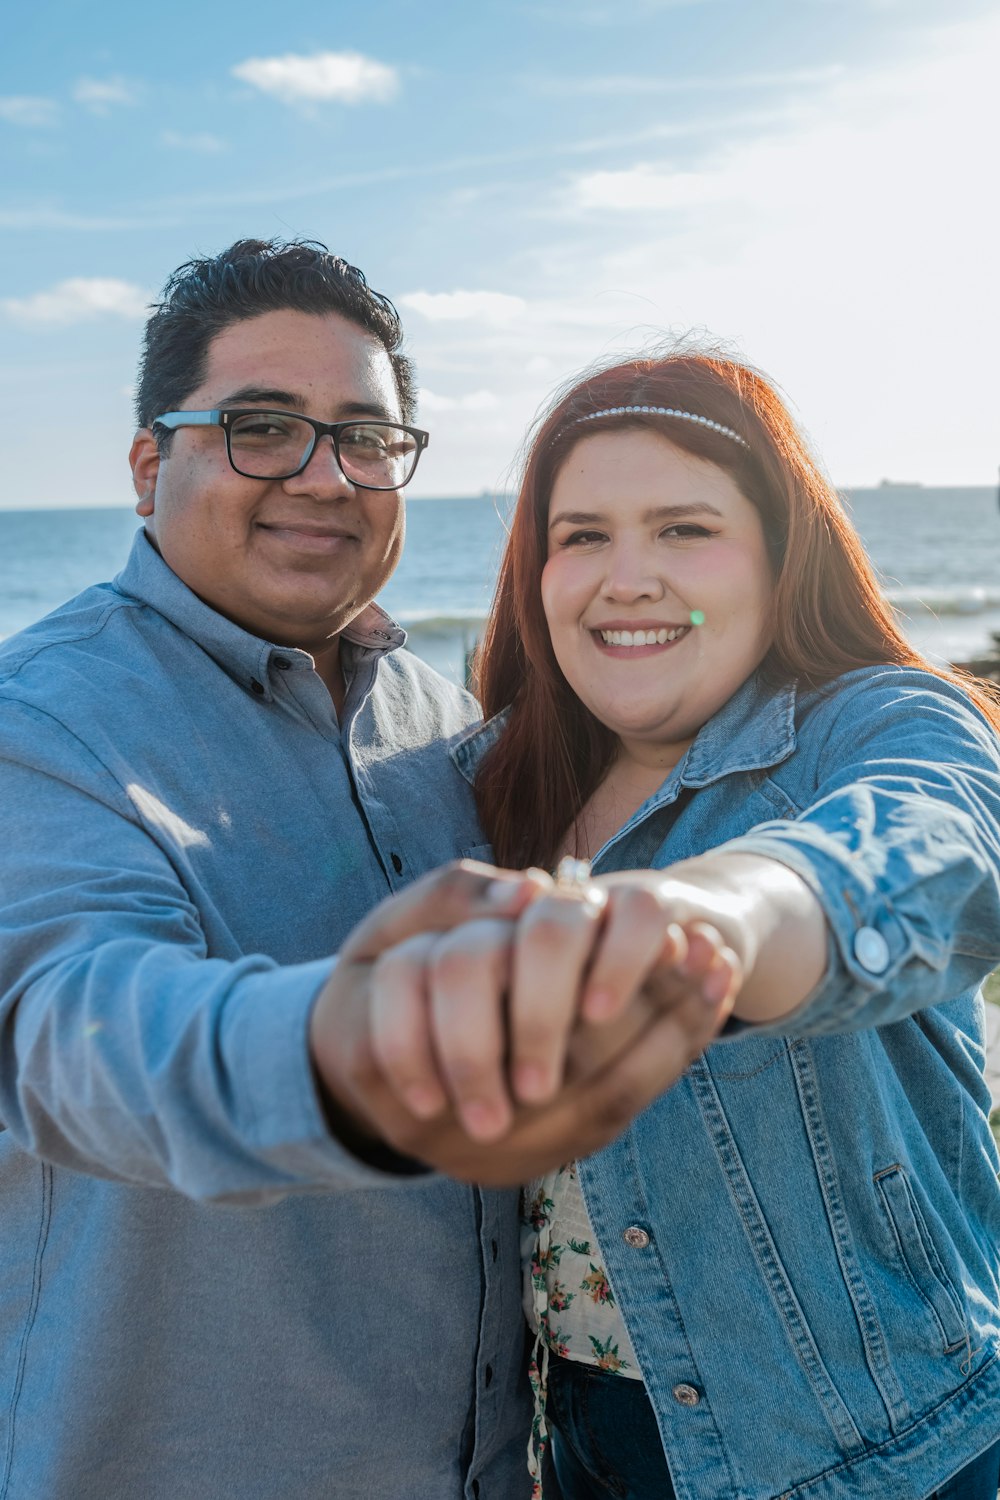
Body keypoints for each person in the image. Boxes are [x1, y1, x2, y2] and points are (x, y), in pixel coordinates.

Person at [0, 243, 733, 1499]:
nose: (324, 478)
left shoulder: (444, 724)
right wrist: (351, 1048)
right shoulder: (42, 727)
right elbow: (78, 1032)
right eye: (261, 430)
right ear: (144, 466)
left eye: (366, 439)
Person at [365, 351, 1000, 1498]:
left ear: (775, 553)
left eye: (683, 528)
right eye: (584, 535)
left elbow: (926, 849)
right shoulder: (484, 790)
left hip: (874, 1447)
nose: (628, 577)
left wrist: (703, 915)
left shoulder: (880, 725)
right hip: (581, 1439)